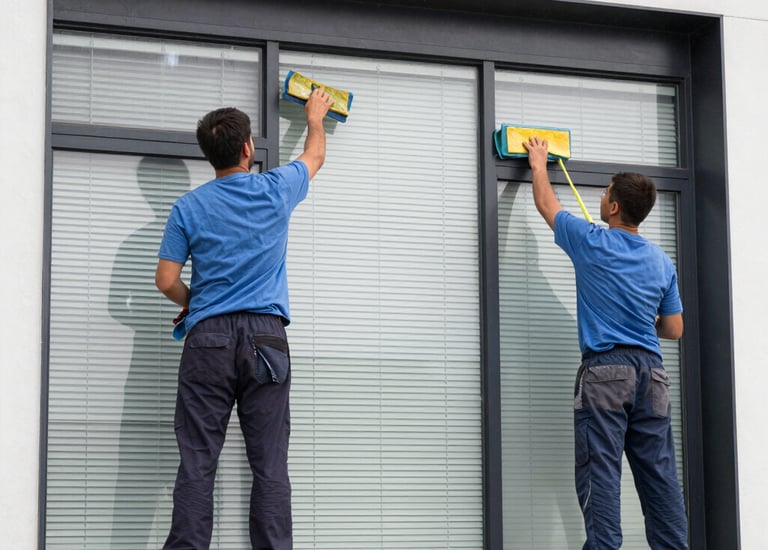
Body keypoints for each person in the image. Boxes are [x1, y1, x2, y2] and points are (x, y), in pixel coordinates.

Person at [155, 88, 334, 550]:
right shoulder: (275, 188)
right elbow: (314, 155)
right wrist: (315, 117)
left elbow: (165, 279)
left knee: (197, 463)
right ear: (248, 148)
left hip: (208, 338)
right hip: (266, 339)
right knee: (270, 464)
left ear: (208, 155)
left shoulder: (187, 207)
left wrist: (194, 300)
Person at [523, 136, 688, 550]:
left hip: (606, 371)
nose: (601, 196)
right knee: (660, 479)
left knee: (601, 478)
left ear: (613, 207)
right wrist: (641, 316)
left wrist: (539, 164)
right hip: (653, 375)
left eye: (606, 193)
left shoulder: (592, 241)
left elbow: (547, 206)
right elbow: (674, 329)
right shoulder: (660, 261)